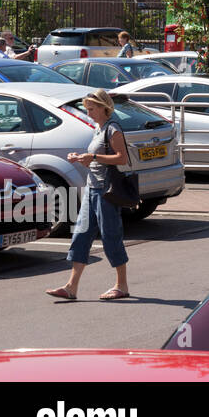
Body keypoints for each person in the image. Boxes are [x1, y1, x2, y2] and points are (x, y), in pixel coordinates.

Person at [46, 89, 132, 301]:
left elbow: (122, 158)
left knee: (111, 236)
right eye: (87, 109)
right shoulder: (98, 128)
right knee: (81, 235)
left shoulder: (113, 129)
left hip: (106, 190)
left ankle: (122, 285)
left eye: (92, 109)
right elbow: (98, 157)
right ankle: (71, 287)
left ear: (105, 108)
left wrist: (93, 156)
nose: (89, 112)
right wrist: (81, 158)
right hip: (92, 188)